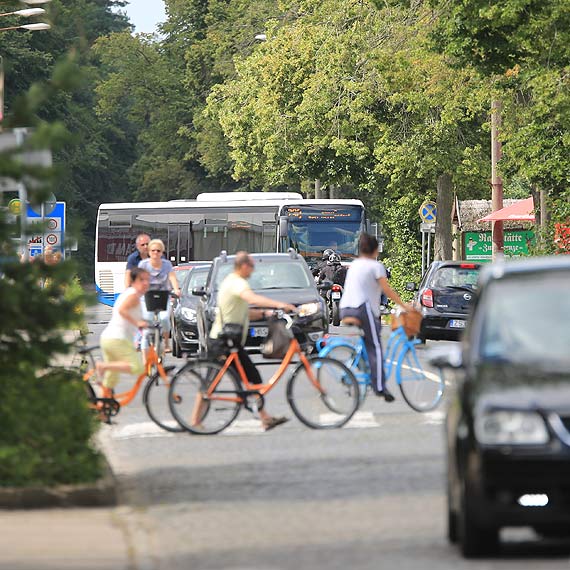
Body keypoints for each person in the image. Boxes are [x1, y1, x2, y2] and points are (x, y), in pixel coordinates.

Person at [205, 251, 296, 431]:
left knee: (252, 378)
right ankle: (194, 421)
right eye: (252, 267)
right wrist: (279, 304)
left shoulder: (231, 281)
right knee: (209, 385)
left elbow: (244, 311)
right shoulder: (237, 282)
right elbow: (251, 298)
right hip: (223, 342)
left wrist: (265, 314)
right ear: (244, 266)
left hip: (230, 340)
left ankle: (265, 418)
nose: (253, 271)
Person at [339, 233, 409, 402]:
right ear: (376, 249)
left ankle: (353, 365)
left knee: (367, 341)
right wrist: (404, 305)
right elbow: (387, 290)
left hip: (345, 309)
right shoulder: (376, 266)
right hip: (363, 309)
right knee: (375, 347)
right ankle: (379, 386)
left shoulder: (354, 265)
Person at [97, 268, 150, 397]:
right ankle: (103, 366)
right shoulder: (133, 296)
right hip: (118, 339)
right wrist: (138, 324)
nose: (145, 283)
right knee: (137, 367)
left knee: (111, 379)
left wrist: (143, 322)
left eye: (147, 280)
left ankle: (102, 406)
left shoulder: (129, 294)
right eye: (141, 280)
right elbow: (122, 311)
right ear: (133, 281)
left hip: (108, 338)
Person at [138, 239, 181, 353]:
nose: (155, 253)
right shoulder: (144, 264)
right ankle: (147, 345)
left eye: (158, 251)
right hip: (147, 296)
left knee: (164, 318)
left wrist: (176, 289)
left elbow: (172, 277)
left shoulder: (166, 264)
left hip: (163, 295)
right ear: (149, 252)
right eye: (153, 251)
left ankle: (166, 342)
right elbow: (139, 279)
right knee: (148, 319)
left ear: (162, 252)